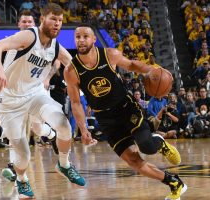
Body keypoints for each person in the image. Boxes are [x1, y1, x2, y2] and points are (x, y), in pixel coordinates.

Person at [64, 24, 187, 200]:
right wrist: (83, 129)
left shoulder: (109, 54)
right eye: (77, 37)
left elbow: (130, 65)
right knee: (134, 162)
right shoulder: (71, 71)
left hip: (126, 108)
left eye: (85, 36)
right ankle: (174, 182)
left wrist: (150, 70)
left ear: (93, 39)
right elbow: (76, 103)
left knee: (146, 146)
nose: (81, 40)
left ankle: (159, 143)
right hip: (105, 119)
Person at [0, 3, 86, 199]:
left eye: (60, 21)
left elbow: (75, 66)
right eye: (53, 19)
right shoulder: (29, 36)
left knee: (64, 125)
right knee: (23, 156)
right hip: (11, 102)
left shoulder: (56, 46)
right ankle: (22, 179)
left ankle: (64, 164)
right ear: (42, 19)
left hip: (35, 95)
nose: (57, 24)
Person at [1, 9, 59, 182]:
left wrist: (47, 77)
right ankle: (12, 166)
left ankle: (51, 134)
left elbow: (57, 61)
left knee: (37, 128)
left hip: (36, 89)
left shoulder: (47, 42)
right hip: (14, 92)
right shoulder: (12, 41)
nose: (26, 24)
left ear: (35, 25)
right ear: (19, 24)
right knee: (15, 131)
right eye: (24, 22)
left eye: (29, 22)